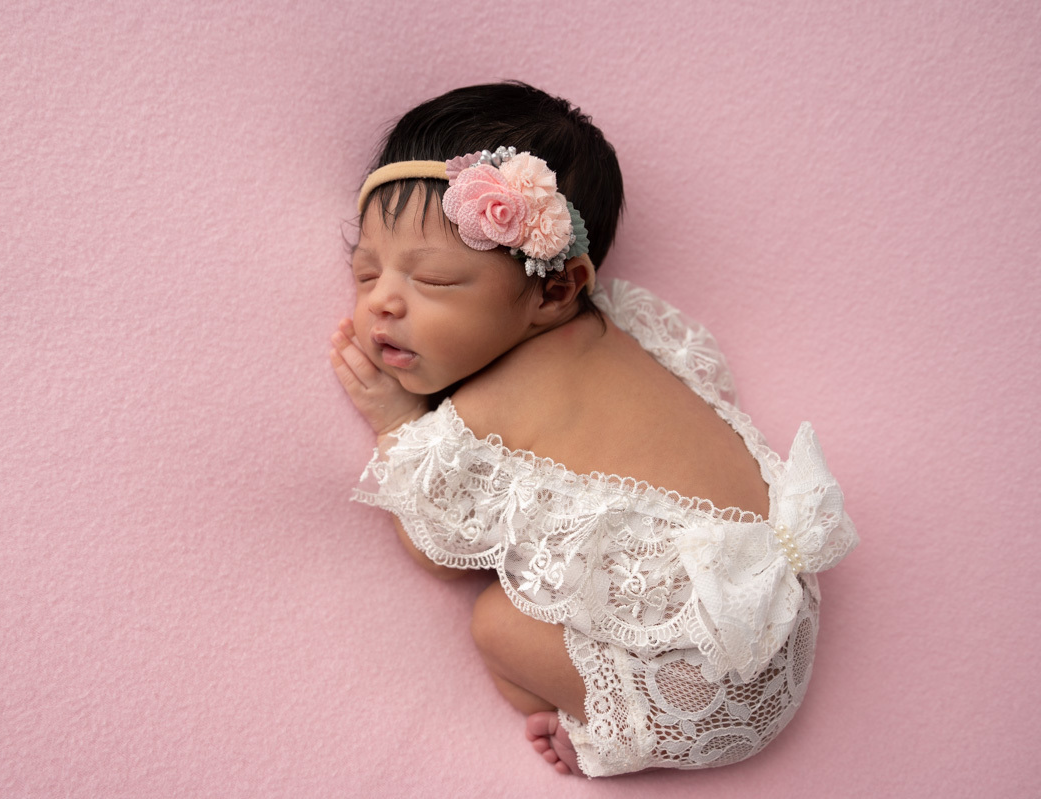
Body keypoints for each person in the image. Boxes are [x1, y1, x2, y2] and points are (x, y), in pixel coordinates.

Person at [328, 82, 857, 778]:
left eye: (435, 282)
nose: (382, 303)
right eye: (366, 272)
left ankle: (591, 732)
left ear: (555, 290)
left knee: (495, 621)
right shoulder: (627, 333)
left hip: (693, 693)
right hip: (778, 625)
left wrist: (398, 422)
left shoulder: (493, 404)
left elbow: (438, 545)